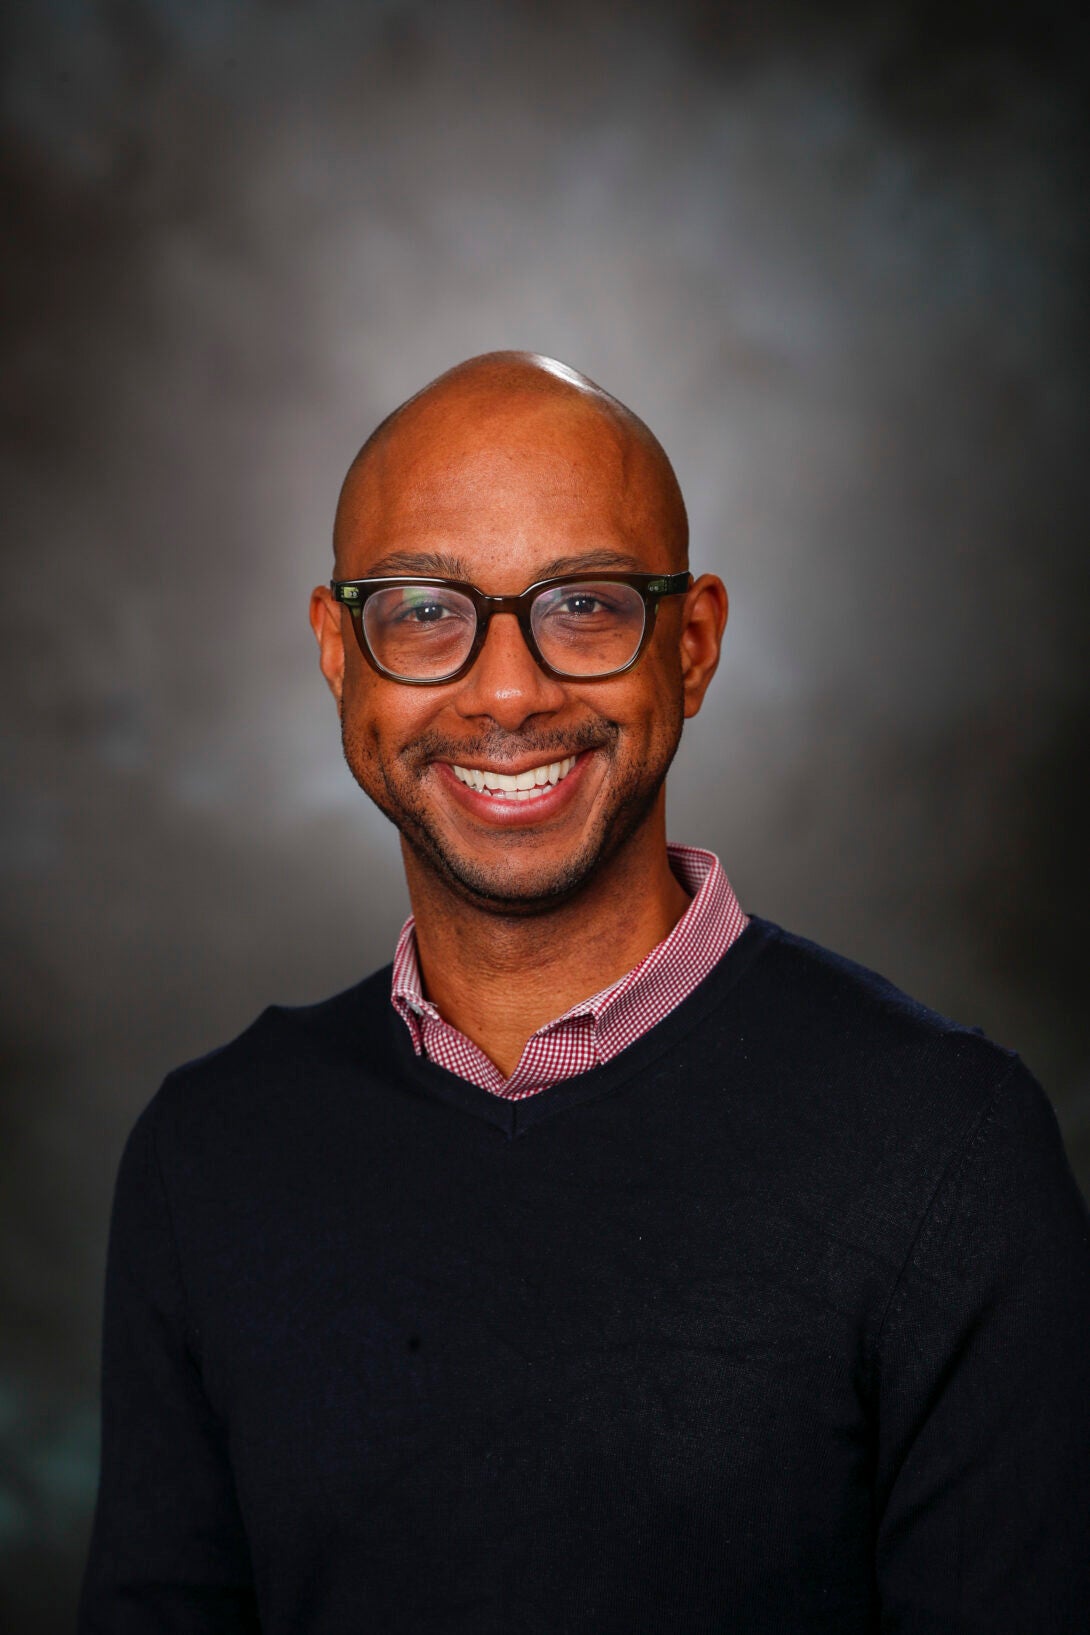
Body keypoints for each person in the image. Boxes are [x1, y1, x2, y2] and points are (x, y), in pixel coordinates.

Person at [79, 352, 1090, 1633]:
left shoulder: (950, 1149)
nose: (507, 691)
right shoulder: (205, 1157)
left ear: (693, 644)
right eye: (426, 608)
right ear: (341, 652)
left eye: (587, 604)